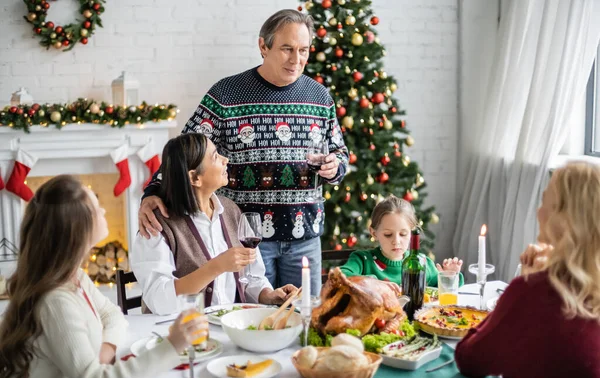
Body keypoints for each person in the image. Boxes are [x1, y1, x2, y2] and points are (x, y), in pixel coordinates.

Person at [137, 9, 349, 296]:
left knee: (303, 320)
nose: (296, 59)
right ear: (264, 46)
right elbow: (187, 152)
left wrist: (335, 166)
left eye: (303, 50)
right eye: (287, 49)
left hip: (304, 236)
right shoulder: (226, 94)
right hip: (244, 237)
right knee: (247, 321)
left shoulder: (320, 97)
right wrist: (153, 191)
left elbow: (339, 152)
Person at [0, 175, 207, 378]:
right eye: (98, 207)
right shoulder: (55, 301)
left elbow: (113, 314)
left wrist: (103, 351)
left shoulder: (73, 276)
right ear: (79, 229)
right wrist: (172, 345)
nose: (105, 211)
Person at [455, 162, 600, 378]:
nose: (538, 211)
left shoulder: (532, 292)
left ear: (563, 219)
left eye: (544, 202)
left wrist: (523, 285)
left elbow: (469, 359)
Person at [130, 134, 297, 315]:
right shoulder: (156, 225)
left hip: (231, 328)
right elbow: (159, 300)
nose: (226, 160)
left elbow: (252, 277)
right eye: (216, 156)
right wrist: (216, 266)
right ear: (194, 178)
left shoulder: (231, 210)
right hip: (181, 333)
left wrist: (267, 295)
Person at [340, 195, 464, 291]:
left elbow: (445, 291)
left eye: (403, 234)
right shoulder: (363, 260)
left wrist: (450, 276)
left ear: (411, 232)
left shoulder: (422, 263)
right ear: (374, 233)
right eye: (388, 235)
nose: (396, 241)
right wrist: (372, 283)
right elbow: (342, 276)